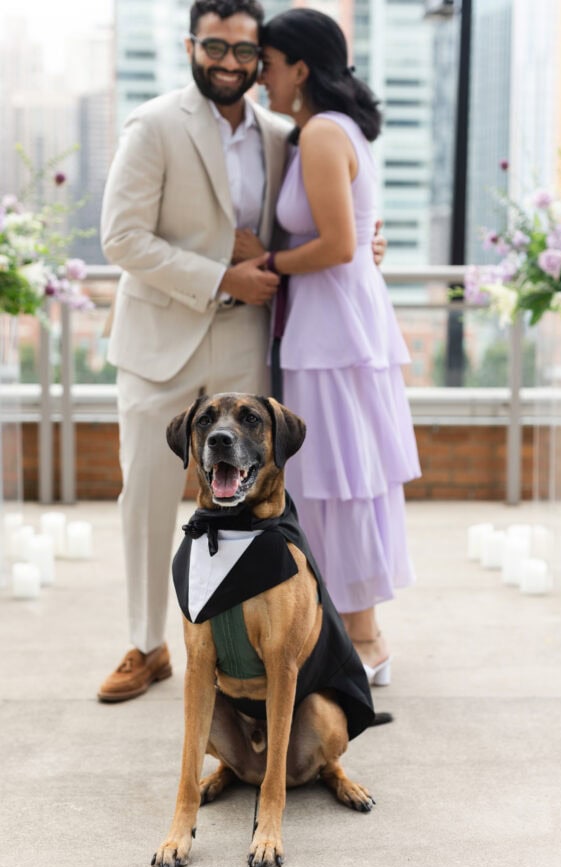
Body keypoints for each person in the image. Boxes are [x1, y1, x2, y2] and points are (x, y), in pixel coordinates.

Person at [98, 0, 385, 702]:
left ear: (262, 61)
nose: (227, 63)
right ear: (191, 45)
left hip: (246, 348)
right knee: (149, 498)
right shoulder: (154, 125)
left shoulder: (285, 134)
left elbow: (318, 221)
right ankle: (146, 644)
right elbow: (121, 239)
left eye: (242, 53)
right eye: (213, 47)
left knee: (242, 507)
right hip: (159, 345)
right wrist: (219, 279)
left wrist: (367, 245)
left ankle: (234, 649)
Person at [236, 8, 421, 685]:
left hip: (332, 333)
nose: (261, 77)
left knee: (339, 483)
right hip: (331, 327)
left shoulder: (319, 135)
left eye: (270, 64)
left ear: (301, 69)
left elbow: (341, 245)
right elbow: (354, 236)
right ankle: (351, 636)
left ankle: (365, 641)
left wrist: (268, 262)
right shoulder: (324, 132)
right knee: (336, 483)